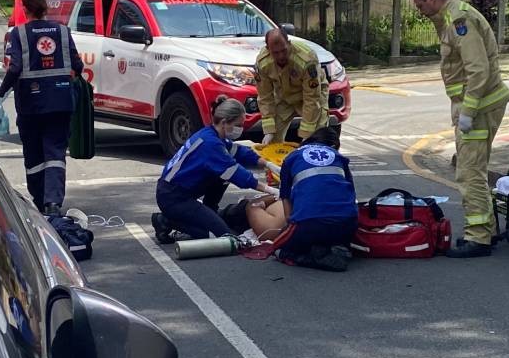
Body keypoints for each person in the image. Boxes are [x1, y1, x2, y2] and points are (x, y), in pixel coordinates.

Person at [410, 0, 509, 258]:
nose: (420, 12)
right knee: (474, 169)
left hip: (478, 107)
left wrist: (468, 111)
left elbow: (478, 69)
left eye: (420, 6)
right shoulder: (451, 18)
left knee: (469, 172)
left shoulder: (459, 22)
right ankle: (486, 231)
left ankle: (478, 237)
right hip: (477, 104)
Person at [0, 0, 84, 216]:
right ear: (45, 7)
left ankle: (41, 201)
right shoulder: (62, 31)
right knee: (55, 153)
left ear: (24, 8)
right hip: (61, 103)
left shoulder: (18, 34)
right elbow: (78, 66)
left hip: (31, 105)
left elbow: (15, 68)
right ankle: (53, 203)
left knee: (34, 155)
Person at [152, 96, 280, 242]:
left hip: (178, 191)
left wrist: (269, 164)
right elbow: (237, 174)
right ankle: (165, 221)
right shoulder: (210, 144)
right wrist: (271, 190)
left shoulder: (215, 135)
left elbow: (240, 152)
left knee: (222, 175)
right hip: (173, 197)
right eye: (239, 124)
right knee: (224, 236)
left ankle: (210, 209)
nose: (241, 128)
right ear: (224, 123)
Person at [270, 126, 358, 270]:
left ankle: (310, 258)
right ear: (334, 145)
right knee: (326, 234)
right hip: (348, 223)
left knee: (277, 248)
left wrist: (290, 224)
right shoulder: (338, 156)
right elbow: (351, 192)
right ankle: (332, 246)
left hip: (310, 222)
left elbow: (285, 196)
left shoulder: (292, 157)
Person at [254, 27, 329, 145]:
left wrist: (306, 135)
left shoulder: (306, 59)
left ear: (289, 43)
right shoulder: (262, 63)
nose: (281, 56)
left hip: (312, 97)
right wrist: (269, 131)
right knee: (272, 142)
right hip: (284, 97)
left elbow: (312, 99)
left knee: (316, 141)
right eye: (276, 53)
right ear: (268, 50)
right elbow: (265, 97)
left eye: (284, 50)